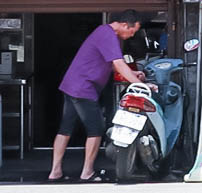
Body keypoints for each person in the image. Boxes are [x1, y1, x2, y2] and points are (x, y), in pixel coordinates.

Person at [48, 9, 147, 183]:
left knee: (65, 129)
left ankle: (55, 172)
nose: (131, 36)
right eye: (132, 31)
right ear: (124, 25)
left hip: (72, 85)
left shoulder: (105, 33)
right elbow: (119, 63)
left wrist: (133, 75)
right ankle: (87, 173)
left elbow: (114, 66)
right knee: (96, 129)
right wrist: (140, 85)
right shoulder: (108, 35)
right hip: (83, 88)